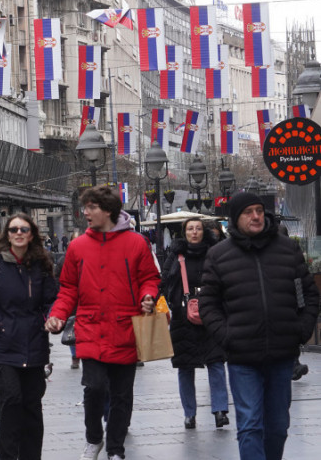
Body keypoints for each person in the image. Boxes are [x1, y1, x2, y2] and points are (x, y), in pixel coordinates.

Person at [199, 192, 320, 460]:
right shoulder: (219, 255)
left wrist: (301, 330)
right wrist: (227, 337)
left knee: (278, 426)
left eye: (259, 210)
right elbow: (208, 304)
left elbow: (310, 294)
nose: (256, 216)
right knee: (250, 424)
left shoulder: (286, 249)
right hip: (243, 358)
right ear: (235, 218)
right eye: (248, 212)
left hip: (281, 355)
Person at [45, 185, 160, 460]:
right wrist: (58, 314)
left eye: (91, 207)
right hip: (91, 328)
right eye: (85, 207)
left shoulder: (136, 243)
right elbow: (68, 288)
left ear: (107, 210)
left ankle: (116, 450)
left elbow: (150, 278)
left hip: (125, 328)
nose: (85, 212)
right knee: (94, 387)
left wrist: (148, 296)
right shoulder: (77, 246)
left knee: (122, 395)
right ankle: (94, 438)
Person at [0, 213, 57, 460]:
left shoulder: (42, 265)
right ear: (7, 235)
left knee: (32, 408)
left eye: (23, 229)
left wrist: (51, 319)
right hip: (4, 347)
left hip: (35, 345)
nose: (18, 233)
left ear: (31, 234)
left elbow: (52, 300)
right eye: (13, 230)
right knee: (11, 403)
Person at [159, 218, 229, 430]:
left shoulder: (215, 252)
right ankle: (189, 414)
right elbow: (165, 281)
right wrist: (173, 303)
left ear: (203, 231)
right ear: (185, 232)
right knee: (185, 366)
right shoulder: (176, 254)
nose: (195, 232)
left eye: (198, 228)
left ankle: (219, 410)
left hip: (212, 316)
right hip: (183, 318)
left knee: (216, 363)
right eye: (190, 229)